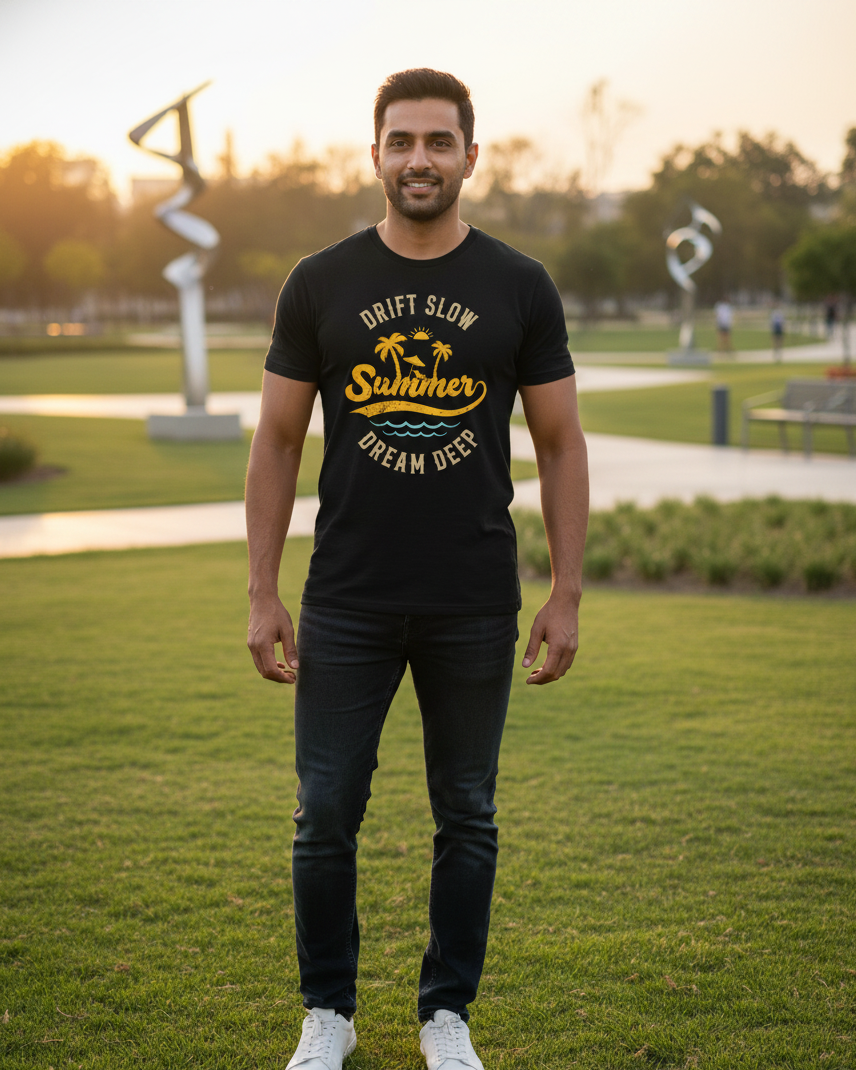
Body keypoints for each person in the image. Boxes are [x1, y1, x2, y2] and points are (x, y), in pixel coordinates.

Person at [245, 68, 589, 1070]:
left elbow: (561, 442)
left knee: (468, 813)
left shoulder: (518, 284)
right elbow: (274, 438)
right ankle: (330, 1011)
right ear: (376, 155)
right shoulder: (321, 280)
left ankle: (446, 1012)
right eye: (401, 141)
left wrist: (565, 594)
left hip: (473, 597)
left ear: (471, 157)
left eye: (439, 142)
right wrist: (262, 590)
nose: (420, 159)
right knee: (323, 812)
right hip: (346, 595)